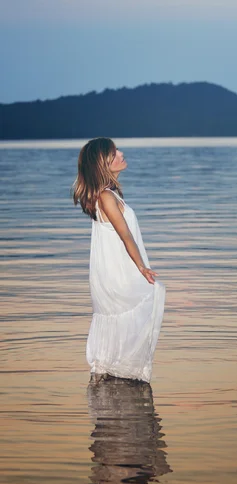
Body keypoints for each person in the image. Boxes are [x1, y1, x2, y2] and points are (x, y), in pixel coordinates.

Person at [72, 137, 165, 383]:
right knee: (144, 300)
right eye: (114, 153)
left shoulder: (108, 195)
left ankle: (112, 378)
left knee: (127, 317)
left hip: (116, 271)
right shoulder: (105, 197)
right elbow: (125, 236)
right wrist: (142, 266)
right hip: (119, 273)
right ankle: (122, 376)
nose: (121, 154)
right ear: (103, 164)